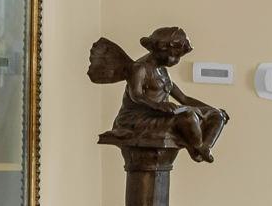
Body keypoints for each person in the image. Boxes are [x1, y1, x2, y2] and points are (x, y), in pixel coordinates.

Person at [89, 26, 229, 162]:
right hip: (138, 118)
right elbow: (136, 95)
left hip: (162, 114)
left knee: (217, 115)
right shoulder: (140, 68)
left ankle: (205, 147)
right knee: (189, 117)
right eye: (173, 55)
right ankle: (196, 147)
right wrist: (157, 105)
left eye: (178, 57)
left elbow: (183, 98)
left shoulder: (162, 71)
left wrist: (211, 110)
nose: (175, 60)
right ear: (159, 49)